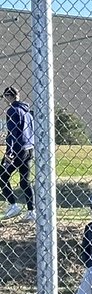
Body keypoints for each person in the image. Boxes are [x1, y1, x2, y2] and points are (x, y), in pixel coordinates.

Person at [2, 85, 34, 221]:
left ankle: (13, 205)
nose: (4, 101)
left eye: (5, 97)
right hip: (29, 148)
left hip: (17, 150)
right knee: (24, 181)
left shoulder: (12, 111)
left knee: (2, 175)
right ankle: (32, 211)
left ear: (9, 97)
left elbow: (13, 133)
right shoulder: (27, 112)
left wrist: (9, 152)